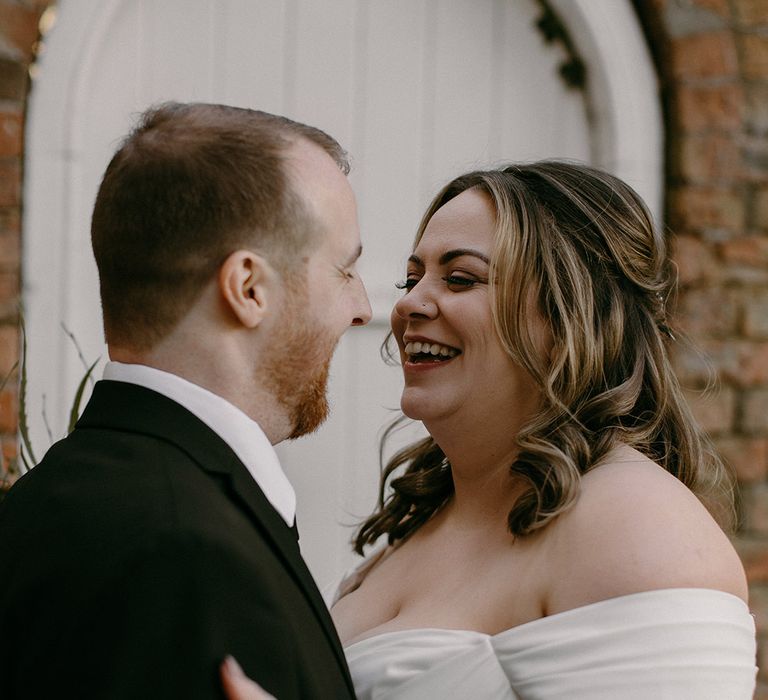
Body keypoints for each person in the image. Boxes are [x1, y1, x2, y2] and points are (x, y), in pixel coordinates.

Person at [323, 162, 756, 698]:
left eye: (461, 278)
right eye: (411, 279)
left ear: (568, 317)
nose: (409, 302)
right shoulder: (419, 527)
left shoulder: (642, 530)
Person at [0, 102, 370, 699]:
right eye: (344, 271)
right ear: (249, 288)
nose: (362, 308)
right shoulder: (185, 553)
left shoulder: (40, 501)